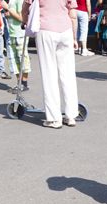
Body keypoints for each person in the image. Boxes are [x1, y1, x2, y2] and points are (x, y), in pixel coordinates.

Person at [22, 0, 79, 129]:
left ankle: (54, 118)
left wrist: (24, 22)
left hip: (46, 30)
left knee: (49, 74)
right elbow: (73, 14)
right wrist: (74, 38)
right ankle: (71, 115)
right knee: (68, 73)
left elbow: (25, 9)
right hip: (66, 31)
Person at [5, 0, 31, 90]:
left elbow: (22, 18)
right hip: (12, 33)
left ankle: (24, 83)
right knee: (13, 60)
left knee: (22, 58)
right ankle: (19, 83)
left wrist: (8, 9)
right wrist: (8, 14)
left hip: (20, 33)